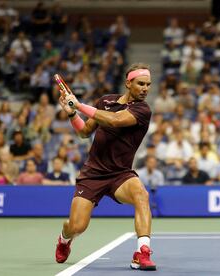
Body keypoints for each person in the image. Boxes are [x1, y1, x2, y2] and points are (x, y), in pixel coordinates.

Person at [55, 63, 156, 270]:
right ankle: (65, 239)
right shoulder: (105, 101)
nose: (145, 88)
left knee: (141, 195)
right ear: (128, 83)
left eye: (148, 84)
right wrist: (72, 114)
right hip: (93, 174)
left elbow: (115, 121)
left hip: (121, 175)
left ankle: (142, 252)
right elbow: (84, 132)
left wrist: (80, 106)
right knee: (76, 226)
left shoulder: (142, 109)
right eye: (141, 83)